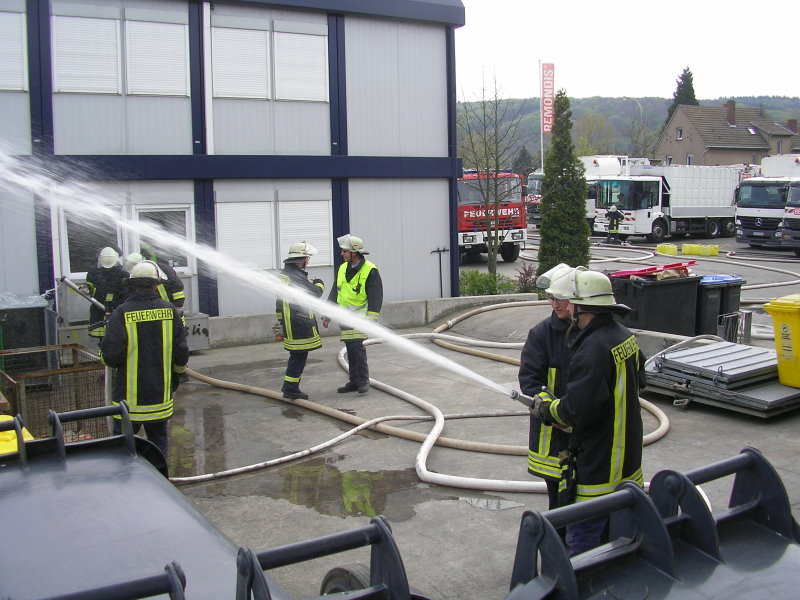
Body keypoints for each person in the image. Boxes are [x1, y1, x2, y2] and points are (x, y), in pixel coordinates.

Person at [531, 267, 644, 556]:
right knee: (621, 538)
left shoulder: (592, 349)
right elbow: (641, 379)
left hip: (597, 465)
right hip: (627, 462)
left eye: (571, 303)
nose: (567, 309)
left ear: (582, 307)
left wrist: (548, 410)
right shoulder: (623, 336)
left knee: (582, 547)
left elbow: (575, 412)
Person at [100, 260, 189, 460]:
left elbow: (111, 356)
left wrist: (102, 357)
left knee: (123, 450)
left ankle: (126, 485)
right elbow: (182, 353)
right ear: (155, 285)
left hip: (128, 402)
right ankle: (160, 482)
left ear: (130, 284)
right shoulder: (170, 311)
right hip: (160, 397)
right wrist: (175, 378)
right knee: (158, 446)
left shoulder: (121, 313)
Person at [517, 263, 575, 511]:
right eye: (551, 298)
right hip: (552, 432)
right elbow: (529, 380)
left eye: (561, 298)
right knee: (558, 496)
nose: (555, 304)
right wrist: (552, 412)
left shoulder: (588, 332)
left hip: (583, 431)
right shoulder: (541, 334)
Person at [322, 234, 383, 394]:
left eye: (344, 251)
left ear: (354, 253)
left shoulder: (370, 270)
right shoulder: (343, 268)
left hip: (360, 319)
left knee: (357, 348)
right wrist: (328, 314)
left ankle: (363, 381)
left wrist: (371, 319)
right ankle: (354, 381)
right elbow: (335, 292)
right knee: (350, 348)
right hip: (345, 319)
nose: (342, 254)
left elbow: (376, 297)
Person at [276, 242, 325, 400]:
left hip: (290, 324)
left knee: (297, 356)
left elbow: (278, 303)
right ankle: (290, 387)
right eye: (307, 258)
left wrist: (281, 322)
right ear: (301, 259)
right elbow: (314, 294)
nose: (308, 261)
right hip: (298, 324)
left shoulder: (285, 276)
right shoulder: (295, 277)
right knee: (299, 356)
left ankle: (289, 386)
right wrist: (319, 284)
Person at [84, 247, 128, 340]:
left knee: (118, 339)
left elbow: (125, 294)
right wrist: (86, 288)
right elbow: (90, 284)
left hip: (117, 311)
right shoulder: (94, 273)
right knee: (103, 342)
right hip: (99, 311)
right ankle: (103, 353)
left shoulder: (123, 274)